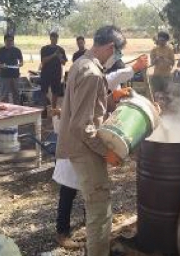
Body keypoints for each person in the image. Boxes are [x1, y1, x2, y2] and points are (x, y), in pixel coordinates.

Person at [51, 55, 148, 249]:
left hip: (87, 143)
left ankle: (91, 232)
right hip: (78, 144)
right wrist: (132, 70)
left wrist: (115, 96)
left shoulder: (92, 73)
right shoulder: (90, 76)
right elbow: (108, 83)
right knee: (70, 191)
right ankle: (62, 233)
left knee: (91, 192)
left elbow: (108, 85)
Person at [55, 25, 133, 256]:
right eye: (117, 53)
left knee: (96, 205)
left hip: (79, 146)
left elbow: (89, 108)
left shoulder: (81, 64)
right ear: (110, 47)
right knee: (99, 210)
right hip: (85, 149)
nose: (116, 58)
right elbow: (82, 125)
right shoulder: (91, 73)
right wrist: (105, 151)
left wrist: (111, 99)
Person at [40, 32, 68, 109]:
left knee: (55, 92)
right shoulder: (44, 49)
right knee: (44, 92)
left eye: (56, 38)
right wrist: (54, 55)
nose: (55, 40)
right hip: (45, 73)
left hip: (56, 74)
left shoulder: (61, 49)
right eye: (53, 38)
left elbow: (64, 62)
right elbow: (43, 61)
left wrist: (59, 57)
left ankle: (53, 109)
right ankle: (44, 109)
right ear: (50, 38)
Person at [0, 34, 23, 104]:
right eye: (8, 41)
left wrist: (19, 65)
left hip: (15, 75)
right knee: (4, 95)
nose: (9, 42)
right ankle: (5, 111)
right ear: (4, 41)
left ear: (13, 41)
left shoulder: (17, 50)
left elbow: (21, 62)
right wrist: (1, 66)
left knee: (16, 94)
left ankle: (17, 110)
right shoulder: (0, 51)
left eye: (11, 41)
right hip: (4, 76)